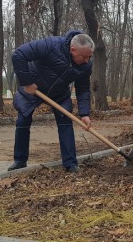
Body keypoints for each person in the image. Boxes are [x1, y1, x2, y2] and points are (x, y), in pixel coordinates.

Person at [8, 30, 94, 172]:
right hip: (33, 87)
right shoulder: (51, 45)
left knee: (66, 120)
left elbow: (83, 88)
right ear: (73, 50)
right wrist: (27, 82)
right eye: (84, 56)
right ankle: (20, 161)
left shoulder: (86, 65)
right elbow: (18, 55)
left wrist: (84, 113)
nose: (87, 60)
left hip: (59, 92)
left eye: (89, 57)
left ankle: (70, 164)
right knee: (23, 119)